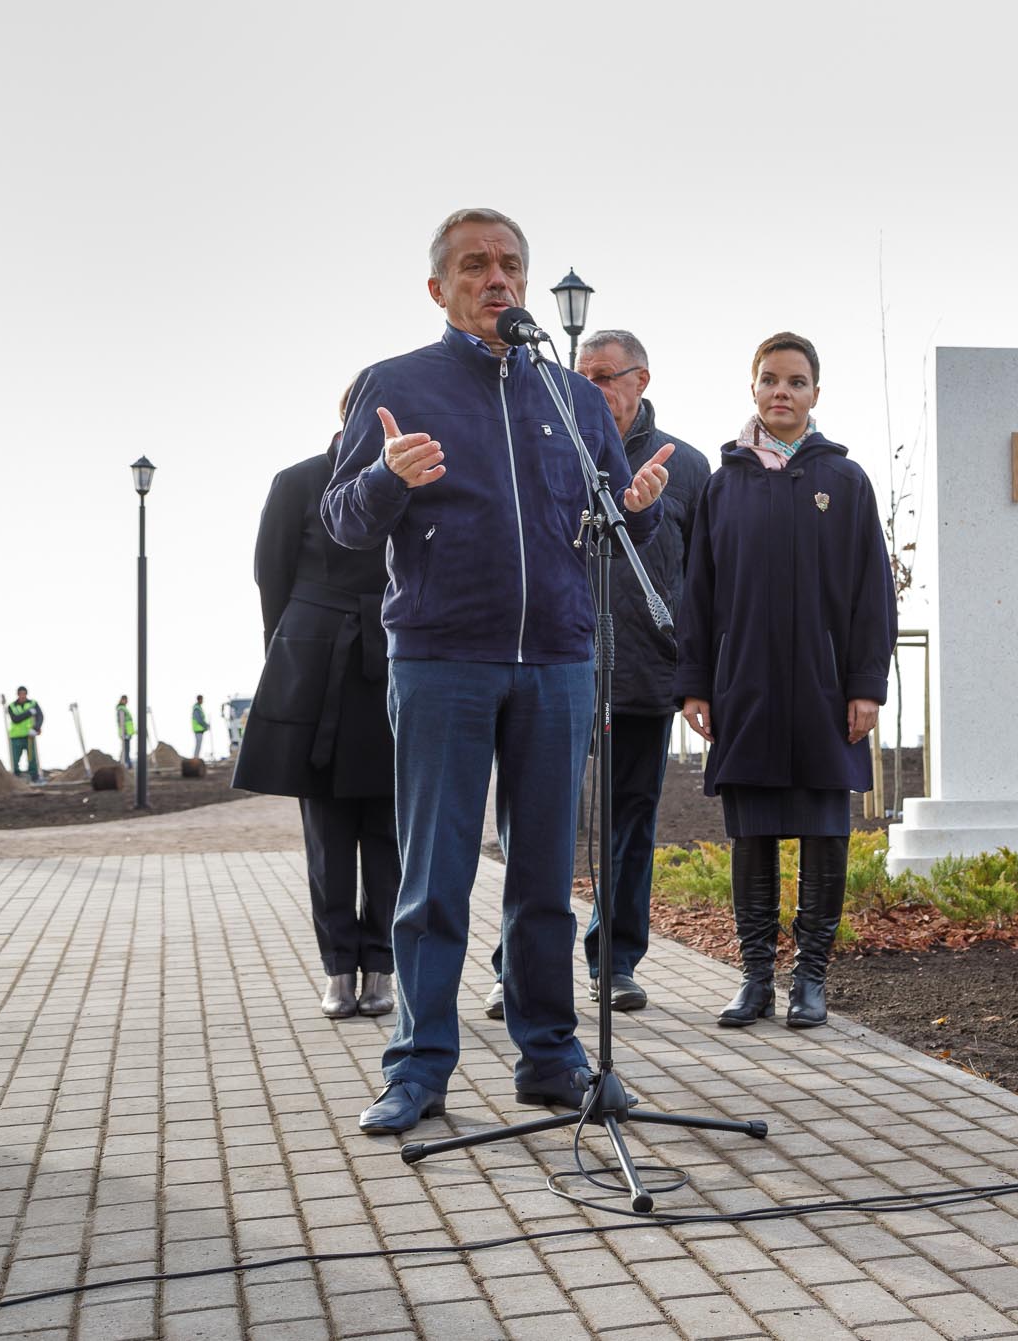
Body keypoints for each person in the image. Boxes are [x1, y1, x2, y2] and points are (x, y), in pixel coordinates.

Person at [323, 208, 672, 1136]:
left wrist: (635, 512)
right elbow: (344, 523)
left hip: (557, 660)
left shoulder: (572, 398)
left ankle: (552, 1057)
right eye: (475, 266)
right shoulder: (398, 385)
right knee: (434, 876)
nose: (499, 280)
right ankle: (418, 1068)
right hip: (442, 658)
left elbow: (599, 526)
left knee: (546, 878)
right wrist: (388, 476)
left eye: (510, 264)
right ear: (439, 288)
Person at [484, 331, 711, 1021]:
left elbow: (704, 581)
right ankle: (515, 966)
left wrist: (698, 672)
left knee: (629, 824)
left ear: (641, 380)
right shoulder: (544, 448)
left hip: (641, 672)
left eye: (606, 376)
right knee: (530, 823)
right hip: (548, 667)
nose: (592, 388)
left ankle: (613, 962)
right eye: (581, 376)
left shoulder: (689, 467)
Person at [675, 332, 895, 1030]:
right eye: (770, 379)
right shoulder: (723, 484)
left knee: (825, 834)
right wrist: (697, 684)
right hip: (746, 691)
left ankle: (811, 979)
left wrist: (865, 684)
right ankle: (755, 979)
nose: (782, 392)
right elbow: (699, 593)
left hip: (826, 693)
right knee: (755, 835)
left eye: (796, 382)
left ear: (815, 395)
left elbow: (873, 593)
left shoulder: (847, 482)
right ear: (753, 388)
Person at [235, 376, 403, 1022]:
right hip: (316, 669)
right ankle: (338, 968)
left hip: (392, 664)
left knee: (389, 831)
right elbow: (270, 582)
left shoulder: (417, 482)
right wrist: (290, 660)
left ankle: (381, 967)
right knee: (327, 835)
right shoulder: (296, 481)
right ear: (349, 416)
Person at [6, 687, 44, 782]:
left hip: (29, 735)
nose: (22, 696)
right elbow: (15, 719)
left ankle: (34, 777)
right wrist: (29, 713)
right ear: (18, 694)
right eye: (20, 694)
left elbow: (40, 716)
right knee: (15, 758)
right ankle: (16, 777)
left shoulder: (33, 703)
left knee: (32, 758)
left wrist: (36, 728)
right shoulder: (12, 706)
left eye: (24, 694)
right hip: (16, 736)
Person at [115, 696, 135, 770]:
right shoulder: (121, 709)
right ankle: (127, 764)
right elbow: (121, 721)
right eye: (126, 700)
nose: (127, 701)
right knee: (126, 749)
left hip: (127, 733)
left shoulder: (124, 709)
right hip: (125, 733)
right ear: (122, 700)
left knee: (126, 749)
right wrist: (124, 732)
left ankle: (127, 763)